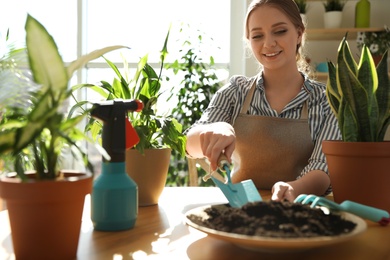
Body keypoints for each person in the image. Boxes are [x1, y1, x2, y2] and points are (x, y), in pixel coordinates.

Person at [185, 0, 341, 202]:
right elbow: (189, 144)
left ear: (299, 34)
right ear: (249, 41)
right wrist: (215, 129)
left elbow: (322, 169)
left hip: (301, 211)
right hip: (241, 210)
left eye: (280, 31)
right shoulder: (235, 92)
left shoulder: (326, 100)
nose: (268, 43)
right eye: (257, 36)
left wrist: (294, 188)